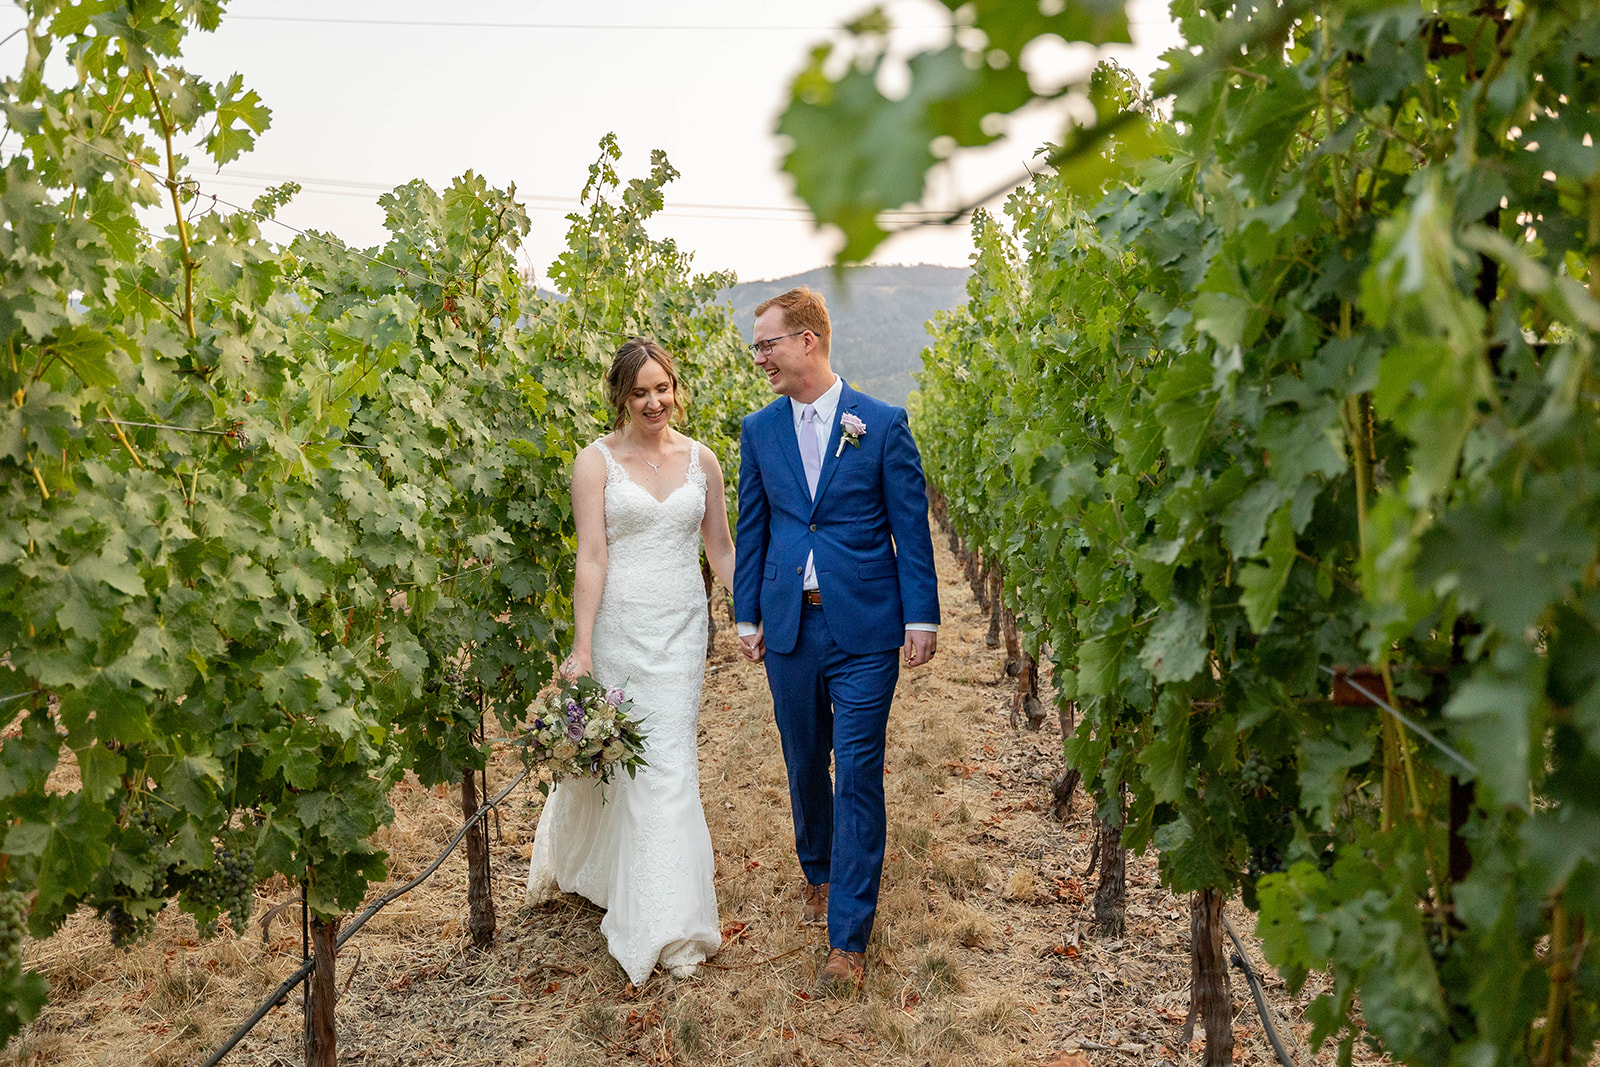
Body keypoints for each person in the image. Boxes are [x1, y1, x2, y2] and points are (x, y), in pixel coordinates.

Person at [732, 287, 940, 991]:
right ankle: (819, 868)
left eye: (767, 343)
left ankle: (847, 938)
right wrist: (746, 617)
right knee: (802, 762)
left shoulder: (880, 424)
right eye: (757, 346)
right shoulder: (758, 431)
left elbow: (910, 527)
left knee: (854, 771)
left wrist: (923, 617)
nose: (759, 356)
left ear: (807, 341)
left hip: (865, 628)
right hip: (790, 623)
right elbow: (754, 526)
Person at [526, 337, 734, 985]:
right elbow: (591, 556)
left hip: (681, 628)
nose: (653, 401)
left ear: (677, 387)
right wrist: (582, 644)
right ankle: (648, 907)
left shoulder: (704, 460)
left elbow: (722, 549)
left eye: (662, 387)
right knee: (630, 762)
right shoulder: (596, 463)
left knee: (669, 759)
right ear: (620, 397)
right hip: (619, 625)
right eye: (639, 391)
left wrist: (754, 611)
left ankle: (670, 919)